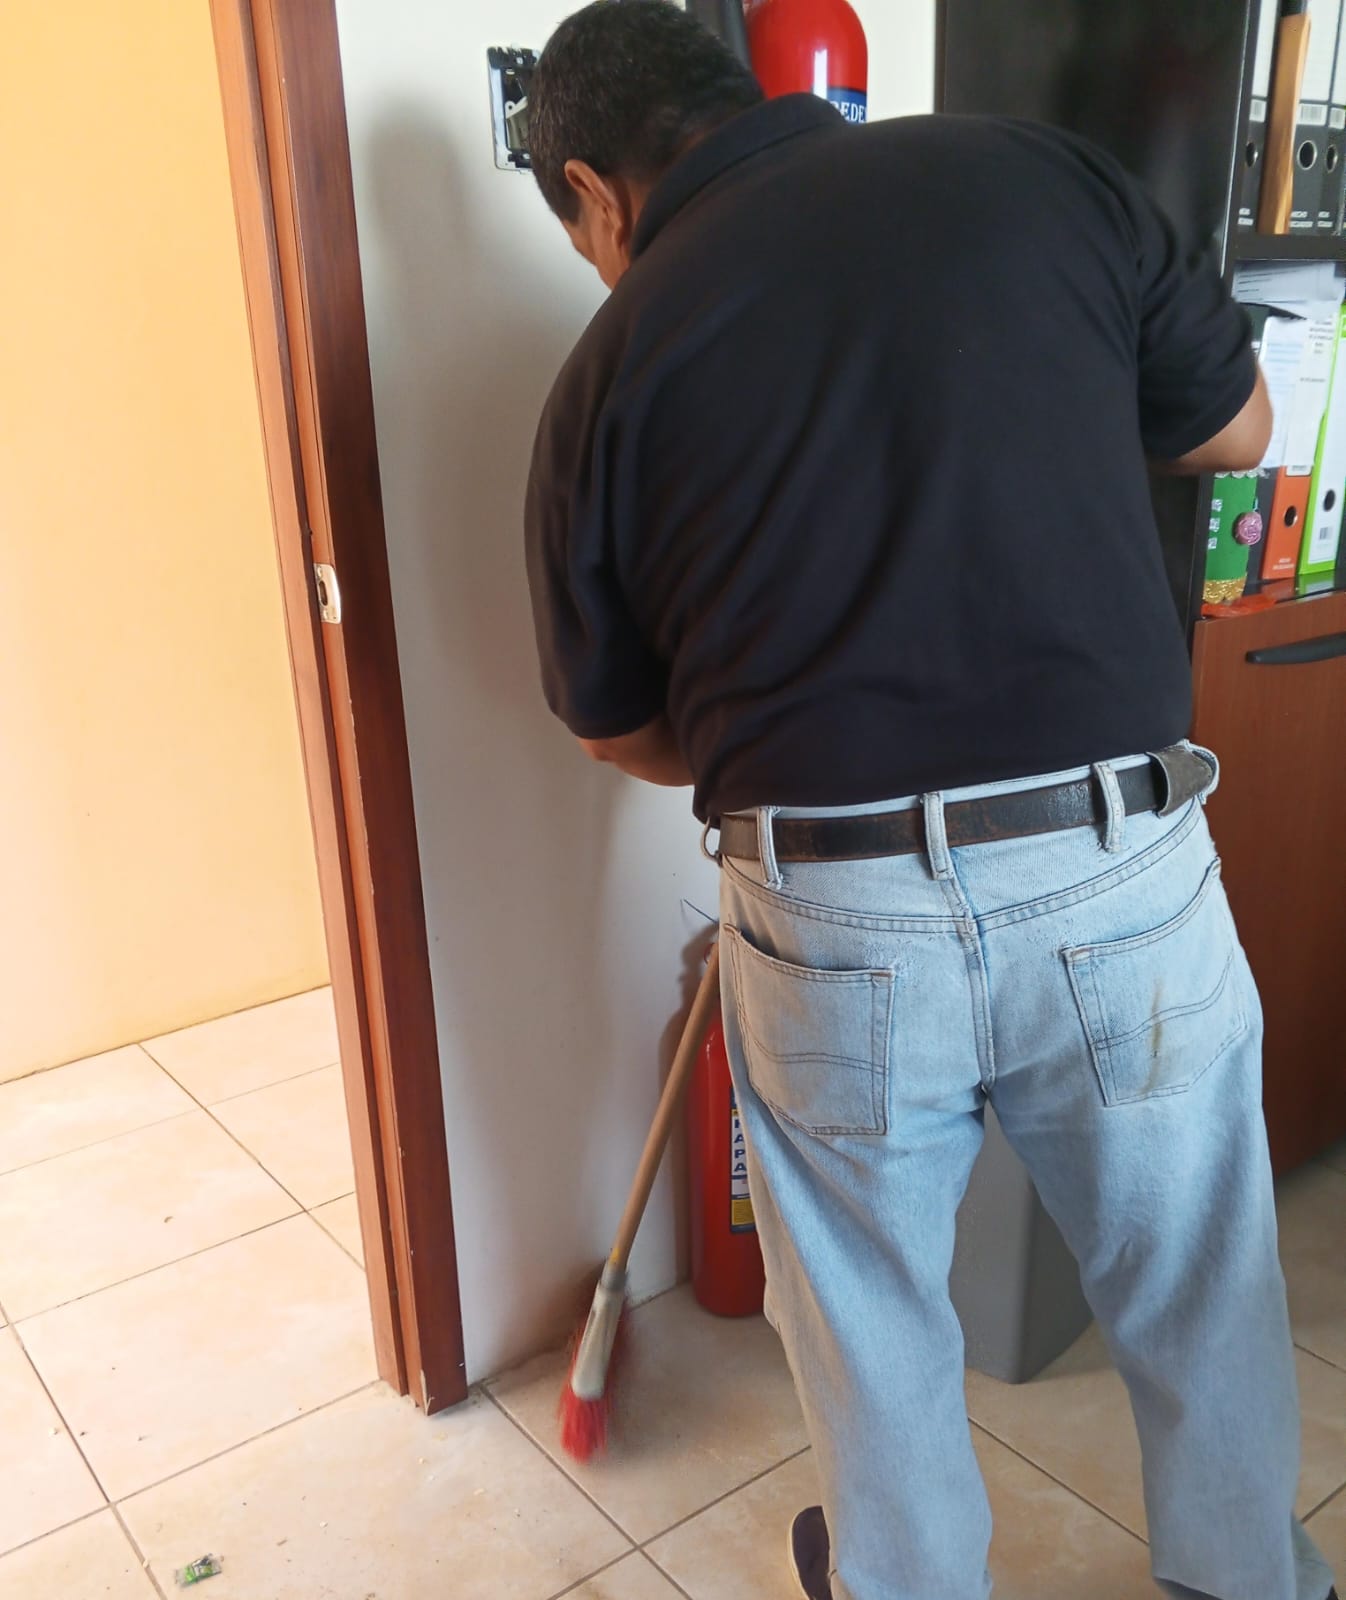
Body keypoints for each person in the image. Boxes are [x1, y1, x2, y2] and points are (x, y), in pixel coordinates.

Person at [522, 5, 1338, 1599]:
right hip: (1111, 859)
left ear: (596, 193)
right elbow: (1236, 431)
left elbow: (617, 734)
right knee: (1195, 1275)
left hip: (829, 910)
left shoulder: (605, 370)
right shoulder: (1039, 176)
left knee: (866, 1315)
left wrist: (792, 746)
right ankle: (1247, 1580)